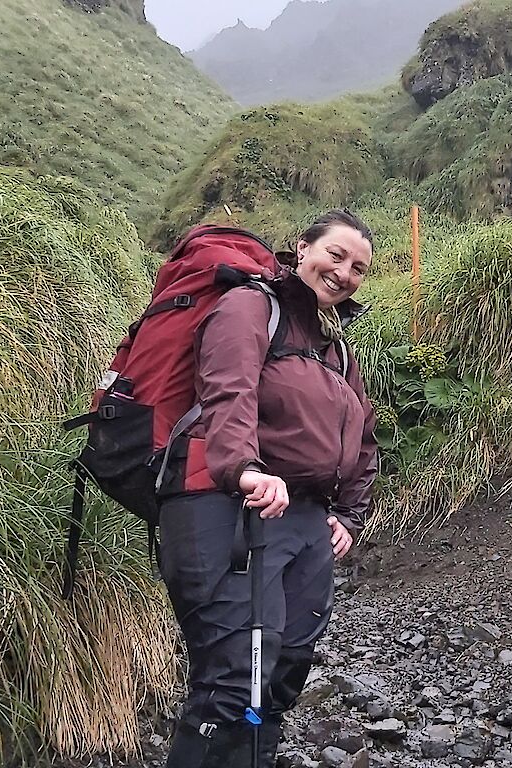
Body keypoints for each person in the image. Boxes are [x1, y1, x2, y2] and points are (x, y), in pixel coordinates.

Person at [159, 210, 380, 767]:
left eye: (358, 267)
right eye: (335, 254)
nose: (345, 272)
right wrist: (243, 469)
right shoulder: (251, 305)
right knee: (235, 678)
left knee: (281, 675)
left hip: (306, 519)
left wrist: (350, 516)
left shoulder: (338, 350)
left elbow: (363, 439)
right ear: (302, 249)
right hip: (228, 505)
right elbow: (227, 393)